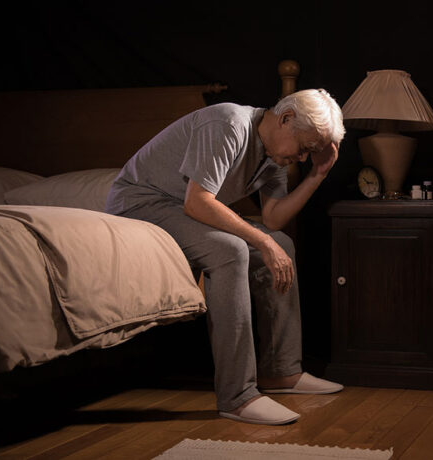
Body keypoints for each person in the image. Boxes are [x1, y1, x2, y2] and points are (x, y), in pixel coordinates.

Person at [104, 88, 346, 425]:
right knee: (231, 251)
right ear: (286, 118)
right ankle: (237, 396)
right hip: (143, 203)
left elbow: (274, 218)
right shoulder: (228, 123)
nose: (303, 158)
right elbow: (198, 202)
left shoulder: (274, 154)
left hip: (182, 206)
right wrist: (261, 240)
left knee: (282, 245)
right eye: (304, 148)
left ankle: (281, 373)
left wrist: (317, 175)